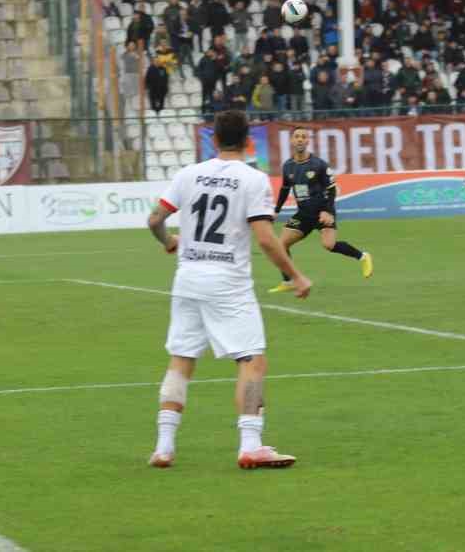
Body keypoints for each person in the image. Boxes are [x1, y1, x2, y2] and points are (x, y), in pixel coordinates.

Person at [144, 110, 311, 470]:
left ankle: (163, 447)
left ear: (214, 140)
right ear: (248, 141)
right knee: (251, 359)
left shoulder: (188, 174)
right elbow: (265, 238)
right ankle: (251, 444)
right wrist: (295, 275)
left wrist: (169, 241)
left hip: (188, 277)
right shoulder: (253, 179)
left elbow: (155, 219)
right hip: (227, 282)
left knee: (182, 358)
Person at [268, 126, 372, 290]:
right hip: (303, 214)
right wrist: (276, 210)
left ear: (308, 141)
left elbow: (331, 189)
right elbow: (285, 189)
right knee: (281, 245)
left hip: (322, 212)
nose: (300, 139)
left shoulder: (319, 164)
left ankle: (363, 256)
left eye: (304, 137)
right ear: (292, 140)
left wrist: (327, 211)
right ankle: (289, 282)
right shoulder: (288, 165)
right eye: (297, 136)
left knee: (329, 245)